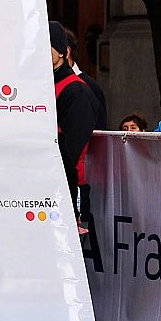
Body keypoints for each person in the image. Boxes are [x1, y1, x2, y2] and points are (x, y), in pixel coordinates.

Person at [51, 21, 106, 228]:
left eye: (47, 46)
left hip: (69, 187)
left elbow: (73, 149)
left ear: (63, 52)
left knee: (70, 255)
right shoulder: (44, 85)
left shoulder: (76, 90)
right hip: (46, 185)